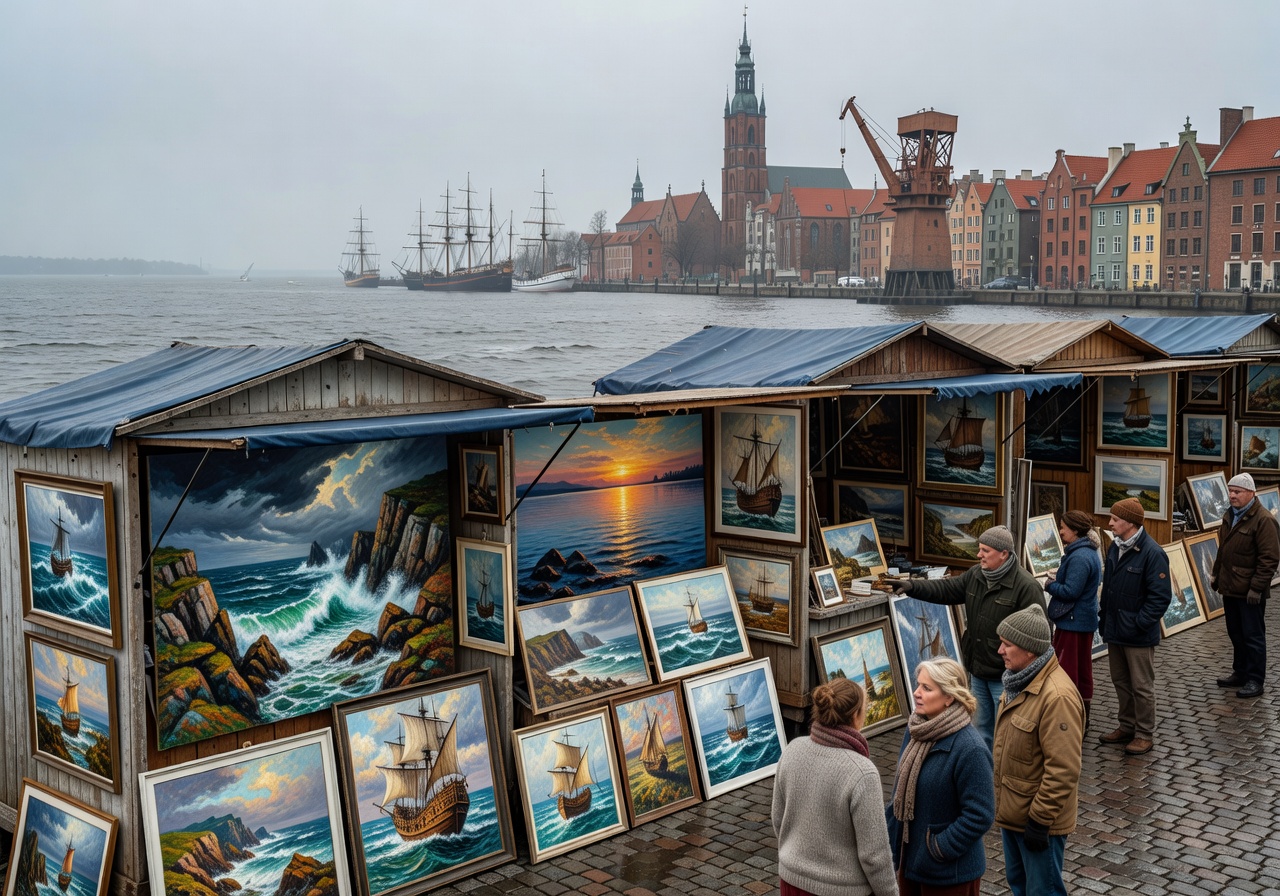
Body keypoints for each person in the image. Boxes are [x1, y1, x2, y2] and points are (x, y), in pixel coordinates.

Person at [891, 525, 1045, 750]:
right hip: (978, 670)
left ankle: (1002, 780)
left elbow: (1038, 636)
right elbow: (946, 590)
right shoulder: (976, 575)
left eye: (985, 551)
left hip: (1007, 675)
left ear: (1004, 554)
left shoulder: (1026, 587)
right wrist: (912, 586)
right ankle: (984, 775)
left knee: (1007, 733)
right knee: (981, 731)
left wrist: (1023, 673)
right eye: (979, 549)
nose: (978, 555)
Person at [772, 678, 898, 896]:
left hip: (791, 881)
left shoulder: (792, 750)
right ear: (856, 715)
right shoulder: (862, 772)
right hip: (842, 890)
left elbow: (778, 818)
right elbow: (874, 855)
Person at [993, 604, 1083, 896]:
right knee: (1020, 885)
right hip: (1014, 814)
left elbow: (1064, 768)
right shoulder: (1018, 682)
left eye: (1007, 644)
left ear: (1030, 650)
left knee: (1043, 891)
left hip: (1036, 821)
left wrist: (1039, 821)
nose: (1000, 650)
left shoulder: (1057, 697)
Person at [886, 657, 994, 896]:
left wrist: (938, 848)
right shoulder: (916, 730)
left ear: (949, 697)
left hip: (948, 874)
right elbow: (899, 795)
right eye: (918, 685)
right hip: (910, 865)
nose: (916, 693)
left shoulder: (970, 748)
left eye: (927, 688)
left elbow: (980, 815)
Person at [1097, 497, 1172, 756]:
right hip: (1115, 629)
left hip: (1137, 634)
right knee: (1120, 681)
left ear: (1129, 522)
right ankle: (1126, 726)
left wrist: (1139, 623)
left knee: (1141, 685)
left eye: (1115, 519)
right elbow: (1109, 587)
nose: (1110, 523)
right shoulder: (1115, 546)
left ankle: (1144, 734)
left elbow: (1160, 597)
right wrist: (1104, 618)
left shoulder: (1153, 553)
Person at [1212, 472, 1280, 699]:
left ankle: (1255, 679)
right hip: (1230, 587)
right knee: (1236, 633)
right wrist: (1216, 576)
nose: (1232, 495)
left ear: (1251, 493)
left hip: (1250, 591)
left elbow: (1269, 559)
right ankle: (1240, 672)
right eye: (1230, 491)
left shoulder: (1263, 520)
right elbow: (1224, 550)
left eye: (1237, 491)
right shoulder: (1230, 515)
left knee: (1253, 636)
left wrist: (1257, 588)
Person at [1043, 509, 1102, 727]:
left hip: (1073, 622)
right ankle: (1081, 719)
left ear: (1075, 530)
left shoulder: (1079, 556)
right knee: (1083, 671)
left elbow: (1070, 591)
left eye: (1062, 527)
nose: (1060, 531)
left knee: (1067, 672)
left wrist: (1049, 584)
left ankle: (1070, 721)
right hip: (1080, 621)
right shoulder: (1088, 552)